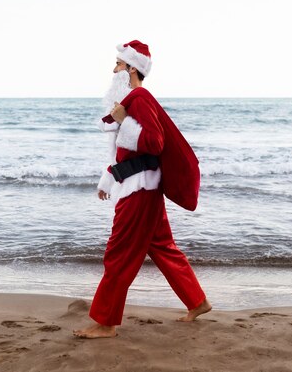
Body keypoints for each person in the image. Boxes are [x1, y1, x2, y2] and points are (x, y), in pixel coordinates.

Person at [73, 40, 211, 339]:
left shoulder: (141, 96)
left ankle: (106, 323)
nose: (114, 69)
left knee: (118, 254)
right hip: (138, 187)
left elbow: (155, 143)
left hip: (140, 192)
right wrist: (109, 179)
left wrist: (126, 123)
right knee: (162, 247)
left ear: (132, 68)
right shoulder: (131, 100)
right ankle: (197, 302)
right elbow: (126, 153)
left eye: (118, 64)